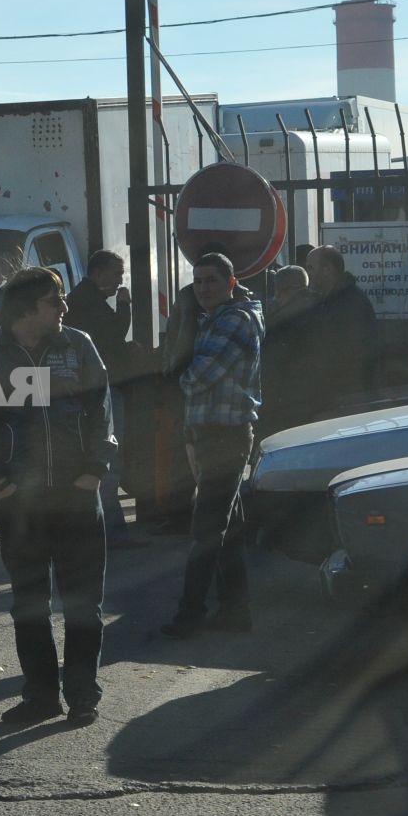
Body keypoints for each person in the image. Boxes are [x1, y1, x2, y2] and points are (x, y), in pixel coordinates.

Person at [0, 267, 115, 726]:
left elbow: (101, 409)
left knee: (83, 605)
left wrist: (96, 468)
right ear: (28, 308)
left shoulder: (78, 345)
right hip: (20, 503)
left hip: (76, 496)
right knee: (29, 604)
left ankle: (83, 695)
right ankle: (41, 696)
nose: (64, 308)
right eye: (56, 300)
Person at [162, 253, 264, 639]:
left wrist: (180, 356)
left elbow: (195, 378)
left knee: (206, 529)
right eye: (198, 281)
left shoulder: (234, 319)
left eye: (212, 281)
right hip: (213, 432)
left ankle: (190, 615)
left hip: (226, 433)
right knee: (227, 529)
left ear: (231, 283)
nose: (204, 288)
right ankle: (236, 611)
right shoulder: (217, 318)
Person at [65, 249, 138, 547]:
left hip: (85, 391)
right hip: (104, 389)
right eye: (117, 273)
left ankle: (102, 528)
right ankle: (112, 531)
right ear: (98, 272)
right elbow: (112, 336)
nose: (120, 279)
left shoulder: (78, 300)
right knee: (108, 457)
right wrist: (124, 306)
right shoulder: (90, 302)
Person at [301, 245, 378, 416]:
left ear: (327, 269)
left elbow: (348, 352)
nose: (308, 274)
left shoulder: (349, 303)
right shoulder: (330, 300)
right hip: (336, 396)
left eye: (311, 268)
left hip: (346, 398)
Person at [256, 265, 316, 440]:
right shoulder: (324, 309)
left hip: (287, 405)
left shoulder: (282, 319)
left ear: (282, 291)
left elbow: (272, 365)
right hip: (311, 401)